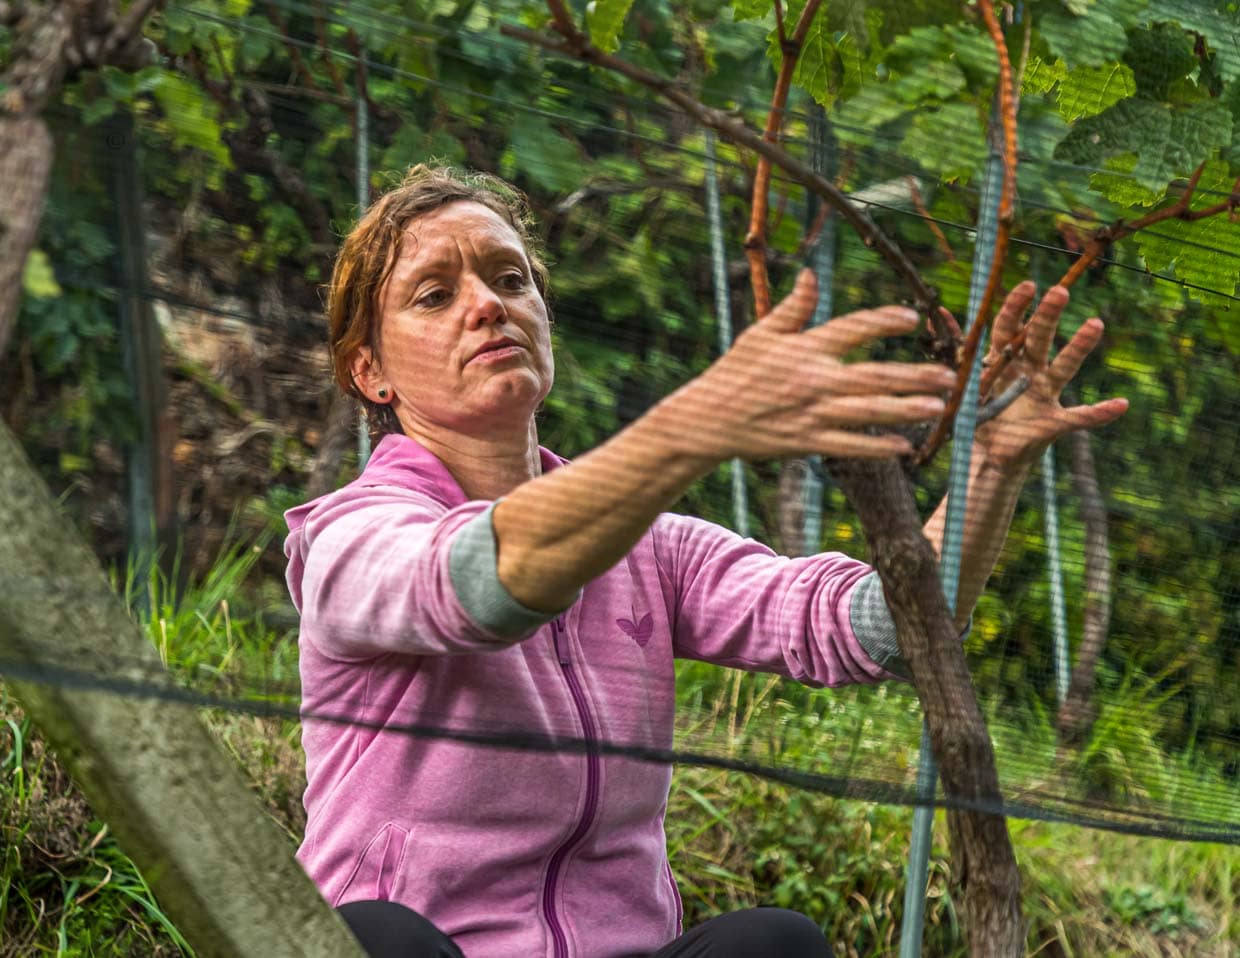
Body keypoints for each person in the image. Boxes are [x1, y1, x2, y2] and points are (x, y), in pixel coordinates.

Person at [283, 165, 1127, 958]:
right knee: (368, 939)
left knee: (774, 944)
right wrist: (692, 429)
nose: (488, 306)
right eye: (435, 295)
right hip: (431, 948)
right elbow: (478, 583)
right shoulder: (350, 537)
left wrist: (991, 465)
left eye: (511, 280)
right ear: (370, 369)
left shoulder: (651, 547)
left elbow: (872, 628)